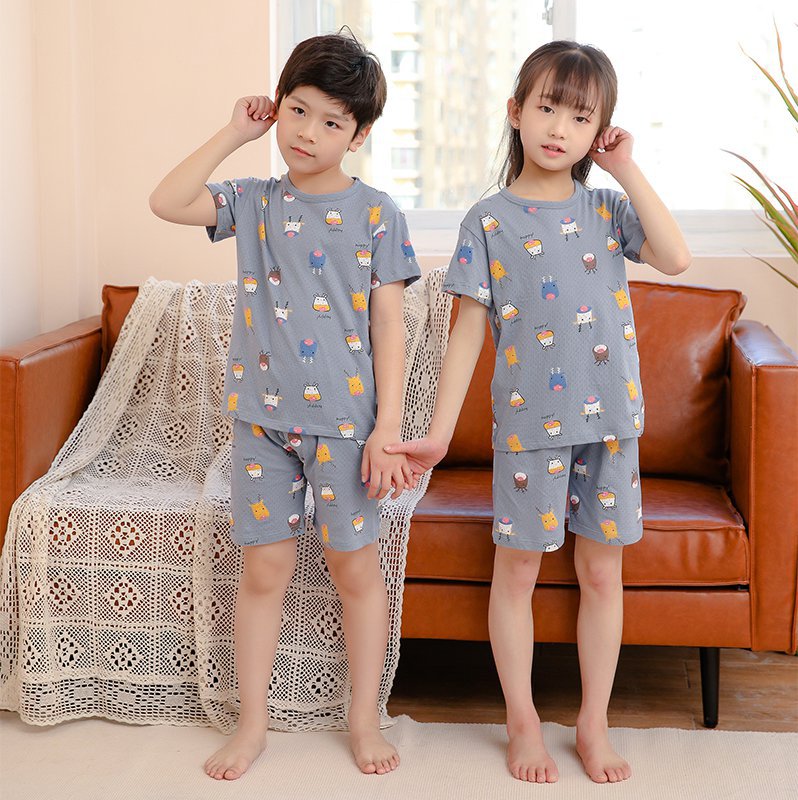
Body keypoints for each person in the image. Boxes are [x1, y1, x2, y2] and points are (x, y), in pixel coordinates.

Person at [384, 40, 690, 784]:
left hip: (610, 423)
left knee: (602, 575)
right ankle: (522, 721)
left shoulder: (607, 209)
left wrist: (626, 167)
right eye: (548, 107)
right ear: (516, 111)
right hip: (529, 430)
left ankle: (593, 723)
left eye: (581, 117)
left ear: (599, 132)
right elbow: (464, 334)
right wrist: (437, 433)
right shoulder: (488, 221)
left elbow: (676, 257)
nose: (560, 128)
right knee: (517, 572)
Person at [150, 31, 420, 781]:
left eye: (331, 122)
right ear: (278, 107)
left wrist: (389, 429)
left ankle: (363, 719)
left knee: (354, 570)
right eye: (296, 110)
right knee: (263, 571)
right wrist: (235, 133)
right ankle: (253, 724)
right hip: (262, 424)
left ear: (359, 135)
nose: (307, 132)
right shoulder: (254, 202)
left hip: (347, 428)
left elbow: (390, 326)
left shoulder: (377, 214)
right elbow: (166, 201)